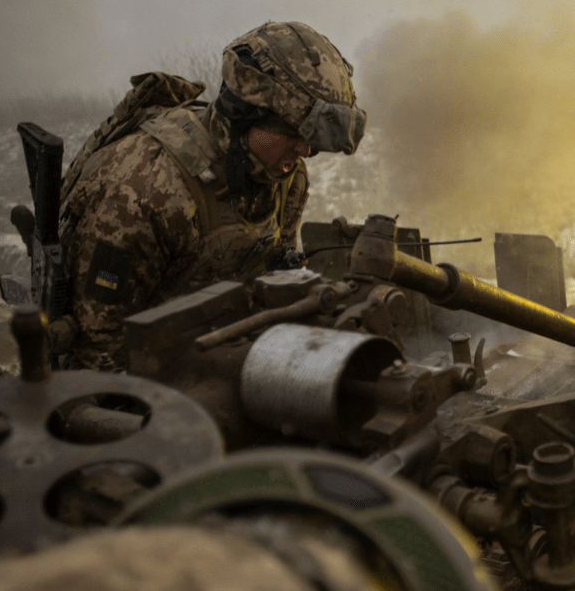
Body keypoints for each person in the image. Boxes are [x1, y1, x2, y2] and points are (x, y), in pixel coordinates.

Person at [59, 21, 365, 369]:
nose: (305, 150)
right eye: (293, 133)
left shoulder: (286, 176)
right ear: (244, 116)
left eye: (311, 139)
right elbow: (100, 351)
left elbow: (275, 284)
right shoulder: (142, 191)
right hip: (135, 376)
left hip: (219, 357)